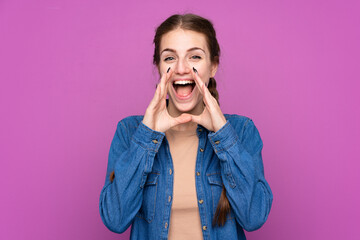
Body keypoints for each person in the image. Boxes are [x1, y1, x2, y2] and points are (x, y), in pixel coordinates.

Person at [99, 13, 273, 240]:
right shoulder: (129, 132)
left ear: (213, 66)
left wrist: (222, 133)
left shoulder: (241, 131)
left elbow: (254, 217)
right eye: (170, 58)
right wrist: (147, 136)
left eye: (195, 57)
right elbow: (115, 219)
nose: (182, 68)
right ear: (159, 67)